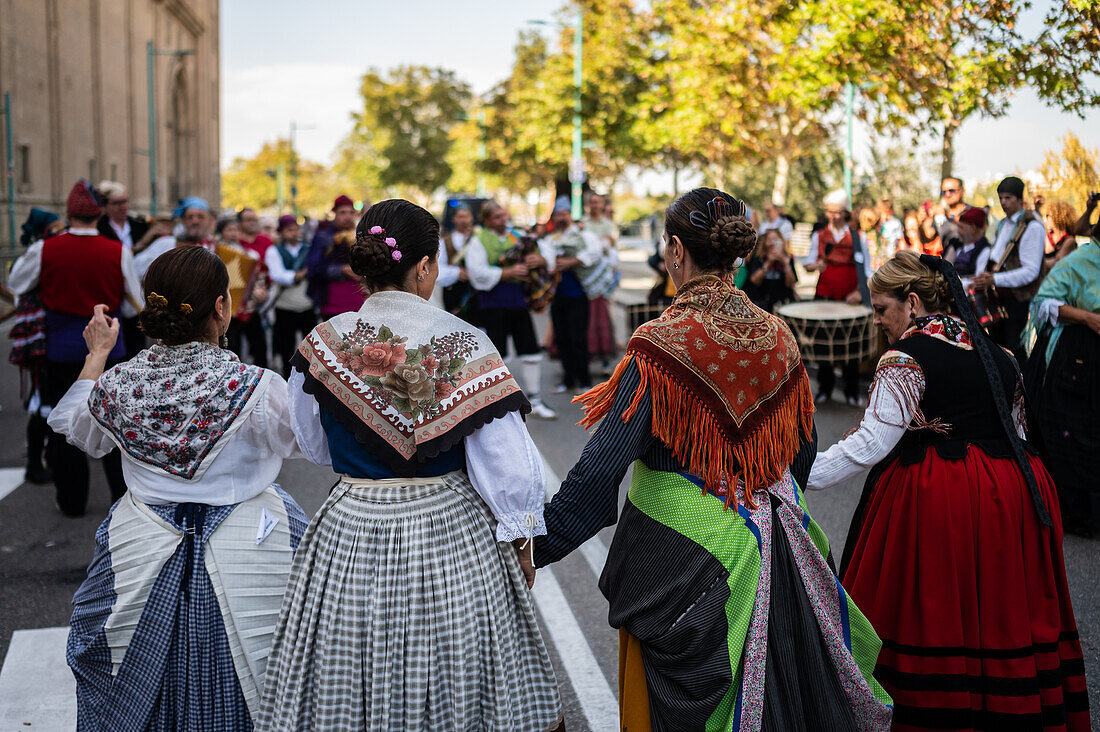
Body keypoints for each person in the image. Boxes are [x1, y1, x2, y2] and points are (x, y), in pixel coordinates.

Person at [535, 187, 892, 730]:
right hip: (770, 552)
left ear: (676, 250)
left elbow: (599, 472)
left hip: (681, 563)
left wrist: (534, 547)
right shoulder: (778, 335)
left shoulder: (662, 345)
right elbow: (799, 452)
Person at [258, 199, 563, 731]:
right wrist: (521, 539)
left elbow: (315, 444)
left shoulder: (326, 342)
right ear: (424, 266)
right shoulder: (463, 343)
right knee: (457, 666)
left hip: (352, 523)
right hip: (448, 525)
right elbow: (507, 465)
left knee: (351, 658)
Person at [809, 250, 1089, 730]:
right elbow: (1018, 434)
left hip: (943, 496)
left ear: (913, 303)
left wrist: (792, 472)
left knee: (936, 609)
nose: (877, 321)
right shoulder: (999, 355)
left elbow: (869, 445)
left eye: (881, 309)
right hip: (1012, 497)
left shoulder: (904, 358)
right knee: (996, 614)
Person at [49, 245, 309, 729]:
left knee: (121, 662)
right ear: (221, 307)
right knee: (271, 663)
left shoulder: (119, 383)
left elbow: (76, 426)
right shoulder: (253, 385)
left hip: (140, 538)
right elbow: (307, 442)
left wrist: (98, 354)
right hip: (251, 540)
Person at [8, 180, 140, 516]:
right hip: (110, 347)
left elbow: (17, 285)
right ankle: (123, 502)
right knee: (113, 423)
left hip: (61, 347)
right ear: (99, 214)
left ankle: (72, 502)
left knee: (66, 426)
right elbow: (133, 304)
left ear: (68, 214)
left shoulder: (46, 249)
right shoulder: (118, 251)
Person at [1023, 215, 1100, 538]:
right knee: (1077, 433)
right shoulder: (1081, 260)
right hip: (1077, 357)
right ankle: (1077, 515)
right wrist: (1087, 317)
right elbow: (1042, 302)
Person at [464, 201, 557, 419]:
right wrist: (508, 272)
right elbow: (476, 272)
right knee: (498, 355)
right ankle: (499, 402)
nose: (502, 220)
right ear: (486, 220)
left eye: (503, 215)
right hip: (492, 304)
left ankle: (535, 399)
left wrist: (540, 259)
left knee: (531, 351)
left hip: (518, 303)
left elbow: (547, 254)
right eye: (496, 217)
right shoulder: (479, 240)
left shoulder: (517, 236)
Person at [10, 208, 65, 484]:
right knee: (41, 400)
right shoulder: (39, 251)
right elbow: (16, 284)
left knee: (52, 399)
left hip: (53, 332)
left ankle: (51, 457)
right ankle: (35, 462)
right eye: (56, 228)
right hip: (41, 336)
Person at [803, 189, 873, 404]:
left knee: (849, 346)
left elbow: (867, 270)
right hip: (824, 294)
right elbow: (807, 264)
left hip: (849, 297)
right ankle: (825, 389)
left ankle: (851, 391)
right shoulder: (819, 235)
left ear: (845, 213)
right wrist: (816, 265)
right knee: (824, 344)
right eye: (829, 212)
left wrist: (859, 293)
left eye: (836, 212)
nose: (832, 216)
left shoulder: (858, 237)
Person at [971, 176, 1046, 361]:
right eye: (1001, 198)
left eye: (1008, 198)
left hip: (1018, 300)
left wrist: (994, 279)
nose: (1003, 202)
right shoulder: (1004, 223)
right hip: (999, 297)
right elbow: (997, 256)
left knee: (1016, 354)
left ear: (1020, 200)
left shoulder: (1032, 226)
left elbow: (1030, 271)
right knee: (999, 351)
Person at [542, 196, 604, 393]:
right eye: (558, 214)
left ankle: (584, 381)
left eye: (564, 213)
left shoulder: (582, 235)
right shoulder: (550, 239)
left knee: (578, 338)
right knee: (561, 338)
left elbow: (596, 252)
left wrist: (572, 261)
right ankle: (568, 379)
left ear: (569, 215)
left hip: (577, 295)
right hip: (557, 296)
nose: (561, 217)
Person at [265, 214, 315, 378]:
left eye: (296, 229)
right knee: (286, 347)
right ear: (282, 232)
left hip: (307, 304)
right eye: (289, 230)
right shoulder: (274, 251)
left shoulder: (307, 248)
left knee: (311, 347)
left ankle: (311, 378)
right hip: (285, 306)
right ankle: (288, 378)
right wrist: (298, 275)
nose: (294, 233)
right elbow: (277, 275)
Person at [306, 194, 364, 317]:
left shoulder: (361, 235)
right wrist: (341, 270)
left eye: (351, 212)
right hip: (332, 304)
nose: (348, 217)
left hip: (360, 303)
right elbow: (313, 268)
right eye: (343, 212)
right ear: (335, 214)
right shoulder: (322, 237)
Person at [584, 193, 620, 372]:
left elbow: (612, 248)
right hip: (586, 278)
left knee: (604, 318)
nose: (595, 205)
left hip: (603, 278)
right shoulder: (583, 224)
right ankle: (587, 357)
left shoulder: (608, 225)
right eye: (592, 202)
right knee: (587, 318)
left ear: (602, 204)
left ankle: (606, 360)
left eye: (597, 202)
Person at [95, 180, 169, 254]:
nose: (123, 207)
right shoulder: (99, 227)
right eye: (116, 203)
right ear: (105, 206)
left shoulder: (139, 224)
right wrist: (141, 243)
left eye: (125, 201)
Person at [434, 204, 476, 319]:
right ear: (454, 219)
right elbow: (437, 268)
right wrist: (456, 272)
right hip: (453, 291)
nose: (463, 220)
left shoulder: (477, 237)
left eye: (466, 216)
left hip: (475, 291)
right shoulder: (445, 241)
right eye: (460, 216)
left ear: (471, 218)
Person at [743, 227, 797, 312]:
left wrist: (785, 264)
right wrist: (768, 263)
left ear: (781, 242)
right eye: (770, 239)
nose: (773, 243)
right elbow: (754, 281)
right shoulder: (758, 258)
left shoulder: (787, 259)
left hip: (781, 304)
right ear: (765, 243)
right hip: (760, 303)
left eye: (775, 239)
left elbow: (791, 283)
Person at [945, 205, 990, 277]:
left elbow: (977, 279)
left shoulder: (984, 250)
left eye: (961, 227)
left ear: (973, 229)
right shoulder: (956, 244)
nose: (958, 231)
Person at [1043, 199, 1079, 268]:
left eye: (1048, 215)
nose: (1045, 219)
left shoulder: (1069, 241)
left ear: (1059, 217)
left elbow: (1059, 264)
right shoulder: (1047, 237)